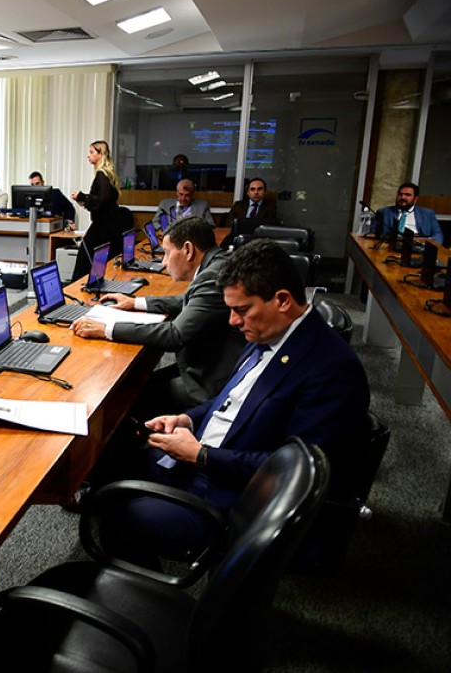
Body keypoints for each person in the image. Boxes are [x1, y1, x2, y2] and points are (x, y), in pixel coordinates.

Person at [108, 239, 369, 566]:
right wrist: (187, 419)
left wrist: (201, 456)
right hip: (208, 459)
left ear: (282, 300)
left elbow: (294, 473)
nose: (232, 321)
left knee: (116, 519)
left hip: (233, 499)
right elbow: (229, 401)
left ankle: (152, 595)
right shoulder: (270, 332)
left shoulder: (332, 370)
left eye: (241, 310)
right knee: (113, 461)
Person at [70, 218, 245, 413]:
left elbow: (175, 335)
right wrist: (135, 303)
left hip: (208, 382)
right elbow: (188, 300)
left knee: (128, 398)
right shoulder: (217, 264)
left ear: (188, 250)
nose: (164, 262)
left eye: (167, 253)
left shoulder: (212, 277)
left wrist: (106, 329)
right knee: (138, 384)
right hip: (208, 363)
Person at [70, 140, 128, 281]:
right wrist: (83, 199)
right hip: (109, 225)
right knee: (100, 259)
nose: (88, 155)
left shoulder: (101, 175)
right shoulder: (108, 174)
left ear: (100, 154)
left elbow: (102, 199)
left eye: (91, 152)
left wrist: (82, 196)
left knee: (84, 258)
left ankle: (76, 288)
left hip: (103, 226)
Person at [372, 182, 443, 244]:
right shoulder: (384, 212)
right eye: (400, 194)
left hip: (418, 244)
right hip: (392, 244)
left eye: (407, 195)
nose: (403, 197)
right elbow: (372, 234)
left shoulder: (427, 213)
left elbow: (438, 235)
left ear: (415, 199)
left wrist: (424, 243)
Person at [221, 177, 277, 247]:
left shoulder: (270, 207)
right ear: (248, 192)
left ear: (265, 191)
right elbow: (229, 223)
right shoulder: (238, 205)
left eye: (259, 189)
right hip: (238, 238)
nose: (256, 192)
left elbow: (267, 227)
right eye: (252, 189)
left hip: (258, 241)